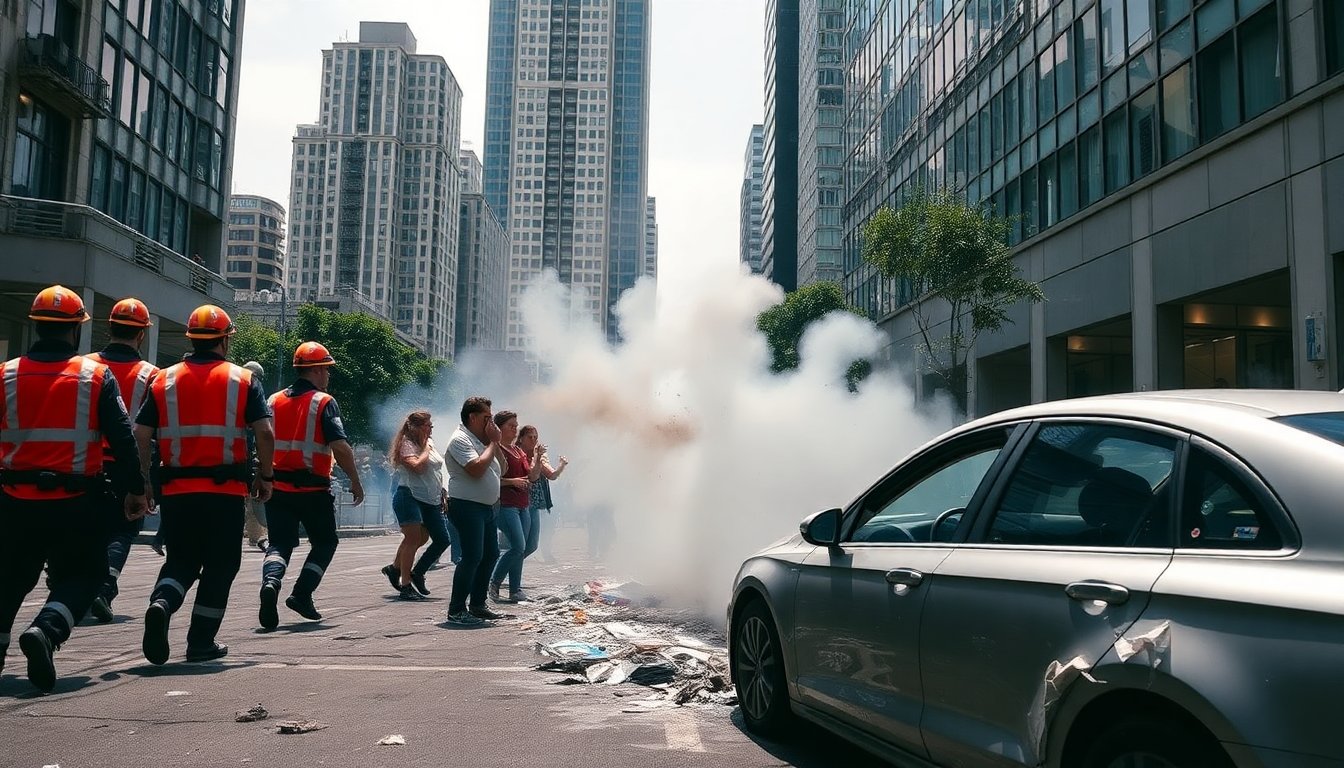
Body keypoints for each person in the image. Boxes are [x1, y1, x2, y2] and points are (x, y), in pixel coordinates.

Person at [0, 286, 149, 691]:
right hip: (75, 500)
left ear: (35, 324)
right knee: (86, 576)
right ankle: (46, 631)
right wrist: (136, 489)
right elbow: (122, 437)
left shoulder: (6, 373)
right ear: (76, 330)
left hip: (14, 500)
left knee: (10, 578)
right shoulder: (93, 377)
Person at [135, 304, 274, 664]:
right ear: (225, 340)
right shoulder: (243, 379)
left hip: (177, 493)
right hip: (224, 492)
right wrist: (266, 475)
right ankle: (199, 642)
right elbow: (265, 431)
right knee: (221, 565)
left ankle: (162, 604)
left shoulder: (163, 379)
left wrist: (144, 481)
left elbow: (141, 433)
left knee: (181, 561)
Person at [258, 342, 364, 630]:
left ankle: (271, 582)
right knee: (326, 542)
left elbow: (262, 438)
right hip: (312, 490)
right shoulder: (323, 402)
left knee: (279, 543)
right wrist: (355, 480)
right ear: (316, 370)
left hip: (278, 487)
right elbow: (340, 447)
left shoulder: (273, 400)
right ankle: (302, 594)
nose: (328, 376)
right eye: (327, 370)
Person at [86, 298, 160, 624]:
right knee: (124, 528)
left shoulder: (83, 366)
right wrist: (146, 480)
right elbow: (150, 434)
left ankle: (71, 584)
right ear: (142, 335)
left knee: (87, 528)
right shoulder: (151, 375)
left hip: (82, 464)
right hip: (124, 465)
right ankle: (104, 587)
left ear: (109, 327)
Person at [443, 397, 506, 626]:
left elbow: (503, 468)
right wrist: (492, 443)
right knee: (471, 557)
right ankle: (457, 609)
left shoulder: (479, 440)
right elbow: (477, 469)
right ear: (472, 417)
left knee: (490, 554)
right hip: (467, 505)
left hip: (486, 507)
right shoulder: (460, 440)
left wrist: (494, 443)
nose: (490, 422)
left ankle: (478, 604)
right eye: (486, 418)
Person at [381, 412, 453, 601]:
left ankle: (412, 571)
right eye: (426, 426)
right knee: (413, 538)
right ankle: (405, 585)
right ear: (414, 427)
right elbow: (418, 467)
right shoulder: (407, 444)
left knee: (441, 539)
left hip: (431, 499)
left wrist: (442, 492)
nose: (430, 430)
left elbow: (434, 471)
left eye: (431, 426)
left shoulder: (428, 443)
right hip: (409, 496)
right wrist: (426, 450)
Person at [488, 413, 536, 603]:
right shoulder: (496, 449)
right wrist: (512, 482)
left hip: (523, 505)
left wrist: (538, 459)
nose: (515, 429)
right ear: (499, 428)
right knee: (518, 546)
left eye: (516, 425)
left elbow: (531, 477)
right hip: (506, 505)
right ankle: (494, 582)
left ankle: (515, 589)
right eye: (511, 426)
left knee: (521, 549)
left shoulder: (518, 451)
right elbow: (491, 480)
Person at [523, 427, 568, 564]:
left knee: (531, 545)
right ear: (521, 439)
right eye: (529, 437)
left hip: (536, 503)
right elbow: (532, 475)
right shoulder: (517, 453)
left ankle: (503, 569)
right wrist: (537, 458)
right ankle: (498, 572)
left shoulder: (540, 455)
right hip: (518, 501)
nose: (533, 440)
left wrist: (561, 465)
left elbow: (551, 475)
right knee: (518, 543)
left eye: (535, 437)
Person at [241, 360, 269, 551]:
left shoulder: (232, 389)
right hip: (242, 456)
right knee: (252, 499)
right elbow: (264, 433)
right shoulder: (254, 393)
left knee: (250, 499)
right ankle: (257, 535)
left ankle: (255, 535)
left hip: (240, 455)